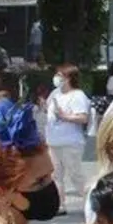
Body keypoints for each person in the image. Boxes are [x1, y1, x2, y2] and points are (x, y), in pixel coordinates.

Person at [46, 65, 91, 215]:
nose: (57, 78)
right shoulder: (54, 93)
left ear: (69, 78)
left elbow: (83, 118)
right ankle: (60, 205)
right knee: (55, 175)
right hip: (53, 140)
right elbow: (48, 111)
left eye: (60, 75)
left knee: (75, 175)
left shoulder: (78, 95)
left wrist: (65, 116)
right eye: (57, 75)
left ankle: (90, 203)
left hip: (71, 142)